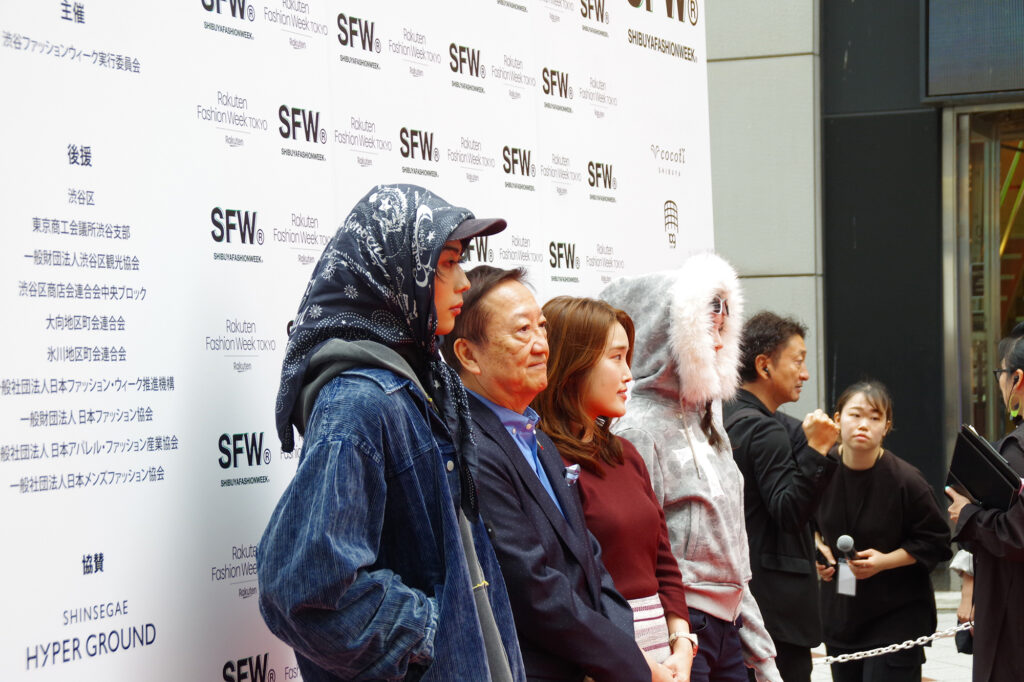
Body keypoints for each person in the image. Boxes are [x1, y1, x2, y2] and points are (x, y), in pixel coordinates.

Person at [257, 184, 526, 682]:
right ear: (396, 273)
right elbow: (302, 590)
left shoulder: (427, 383)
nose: (464, 281)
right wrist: (429, 632)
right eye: (447, 263)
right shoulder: (359, 402)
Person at [442, 266, 658, 682]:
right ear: (468, 355)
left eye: (541, 327)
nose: (542, 345)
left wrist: (620, 656)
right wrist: (623, 664)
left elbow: (589, 558)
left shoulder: (535, 435)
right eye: (522, 331)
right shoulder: (470, 447)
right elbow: (532, 587)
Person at [601, 253, 783, 682]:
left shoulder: (709, 418)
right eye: (705, 331)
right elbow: (637, 553)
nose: (717, 344)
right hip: (679, 630)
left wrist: (762, 652)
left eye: (722, 330)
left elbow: (733, 552)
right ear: (665, 335)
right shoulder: (637, 428)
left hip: (729, 625)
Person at [532, 295, 696, 680]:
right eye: (616, 357)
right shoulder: (541, 459)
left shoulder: (626, 453)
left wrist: (682, 643)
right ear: (573, 364)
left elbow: (663, 559)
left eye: (628, 357)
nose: (629, 375)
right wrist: (633, 663)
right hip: (601, 659)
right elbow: (561, 585)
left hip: (665, 652)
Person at [723, 312, 840, 682]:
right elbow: (789, 511)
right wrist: (817, 449)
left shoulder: (720, 416)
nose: (804, 374)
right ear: (764, 366)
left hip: (731, 600)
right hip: (775, 612)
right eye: (798, 361)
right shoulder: (765, 430)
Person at [814, 380, 951, 682]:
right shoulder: (820, 469)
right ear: (837, 419)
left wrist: (885, 561)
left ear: (886, 427)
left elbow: (937, 542)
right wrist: (818, 547)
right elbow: (801, 518)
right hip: (842, 611)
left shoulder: (907, 480)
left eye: (875, 418)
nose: (863, 425)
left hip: (897, 614)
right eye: (855, 415)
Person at [946, 331, 1024, 682]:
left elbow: (1015, 534)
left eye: (1001, 374)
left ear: (1017, 379)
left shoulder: (1017, 452)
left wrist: (967, 514)